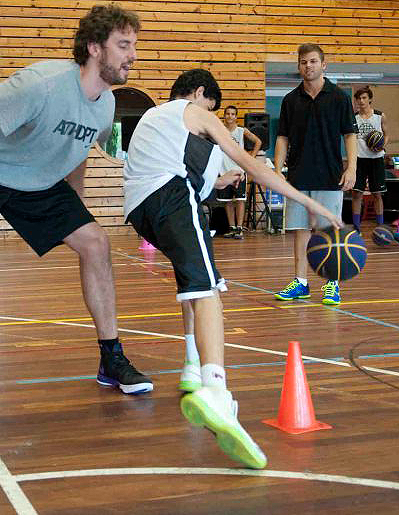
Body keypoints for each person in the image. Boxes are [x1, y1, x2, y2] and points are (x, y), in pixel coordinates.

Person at [123, 68, 342, 468]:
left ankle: (192, 364)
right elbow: (254, 165)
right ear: (201, 94)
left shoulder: (155, 120)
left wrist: (217, 182)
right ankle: (217, 392)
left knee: (193, 283)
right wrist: (308, 202)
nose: (211, 116)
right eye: (212, 106)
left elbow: (177, 173)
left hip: (140, 210)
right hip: (171, 197)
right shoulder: (193, 110)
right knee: (209, 291)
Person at [0, 4, 152, 395]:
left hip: (43, 185)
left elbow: (78, 151)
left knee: (96, 243)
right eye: (123, 45)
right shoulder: (41, 84)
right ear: (94, 48)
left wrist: (77, 209)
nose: (132, 56)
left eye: (133, 45)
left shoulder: (106, 106)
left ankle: (111, 358)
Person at [274, 43, 358, 306]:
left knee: (327, 231)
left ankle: (331, 284)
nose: (307, 66)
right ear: (298, 66)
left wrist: (352, 167)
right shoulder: (290, 100)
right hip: (298, 177)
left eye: (312, 61)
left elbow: (349, 135)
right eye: (303, 62)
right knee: (300, 230)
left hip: (330, 176)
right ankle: (300, 283)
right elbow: (282, 137)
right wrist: (277, 170)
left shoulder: (339, 97)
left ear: (324, 65)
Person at [217, 106, 262, 240]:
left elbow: (258, 142)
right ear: (224, 116)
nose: (230, 116)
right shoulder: (219, 131)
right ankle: (232, 228)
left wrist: (250, 157)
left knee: (240, 200)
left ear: (236, 117)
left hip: (239, 170)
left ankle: (240, 228)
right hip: (224, 170)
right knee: (228, 201)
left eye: (233, 114)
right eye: (228, 114)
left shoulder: (242, 131)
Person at [352, 86, 389, 232]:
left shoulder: (380, 116)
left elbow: (386, 135)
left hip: (376, 159)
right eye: (358, 98)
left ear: (370, 99)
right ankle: (356, 228)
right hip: (359, 159)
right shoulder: (353, 118)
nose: (361, 101)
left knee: (377, 194)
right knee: (357, 194)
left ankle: (379, 227)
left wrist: (382, 146)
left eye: (364, 98)